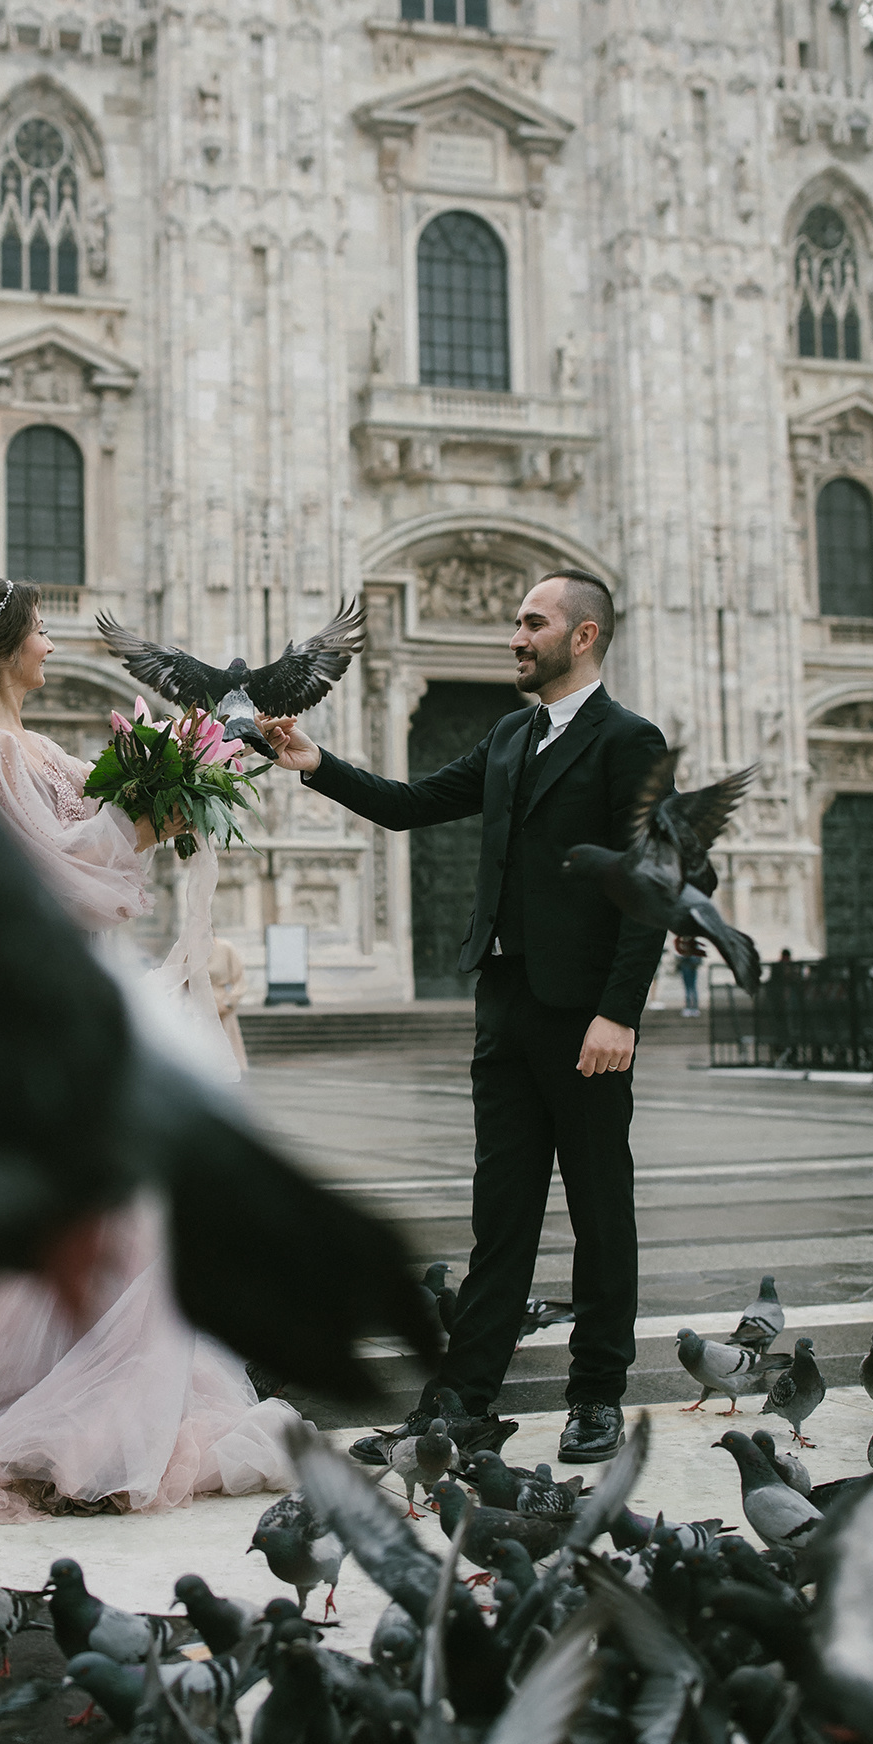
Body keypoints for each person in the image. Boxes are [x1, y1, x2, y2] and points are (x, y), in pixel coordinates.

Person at [0, 572, 297, 1521]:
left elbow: (107, 836)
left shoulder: (29, 746)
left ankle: (85, 1408)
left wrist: (196, 772)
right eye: (38, 630)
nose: (49, 643)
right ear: (3, 649)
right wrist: (144, 813)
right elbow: (64, 873)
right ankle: (41, 1416)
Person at [261, 571, 666, 1464]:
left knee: (601, 1211)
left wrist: (619, 1014)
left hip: (585, 1017)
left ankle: (596, 1393)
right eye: (517, 622)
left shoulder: (629, 741)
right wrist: (316, 765)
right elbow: (411, 808)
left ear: (585, 635)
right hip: (507, 1004)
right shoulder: (512, 735)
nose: (516, 637)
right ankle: (464, 1399)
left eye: (533, 623)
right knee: (502, 1214)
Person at [207, 935, 249, 1072]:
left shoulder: (225, 948)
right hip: (197, 1007)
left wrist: (228, 1003)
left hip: (222, 1008)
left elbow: (240, 980)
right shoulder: (189, 950)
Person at [674, 936, 705, 1016]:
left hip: (686, 967)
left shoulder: (685, 944)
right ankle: (694, 1007)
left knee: (688, 988)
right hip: (692, 967)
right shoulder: (694, 944)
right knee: (692, 987)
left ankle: (689, 1007)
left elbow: (681, 955)